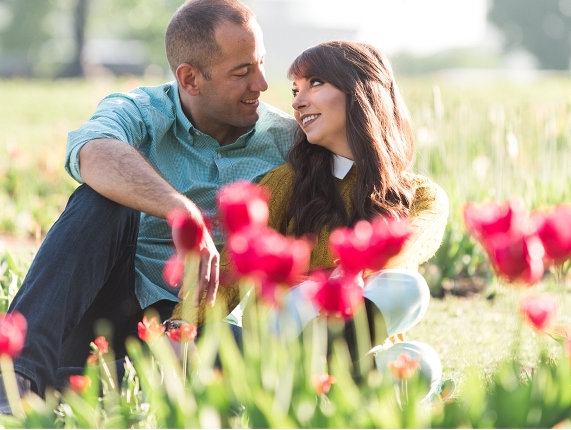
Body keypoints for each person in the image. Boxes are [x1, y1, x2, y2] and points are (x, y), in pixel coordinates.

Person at [0, 0, 298, 427]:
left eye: (261, 63)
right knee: (101, 198)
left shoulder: (284, 141)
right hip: (104, 311)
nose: (262, 83)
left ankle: (2, 391)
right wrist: (181, 212)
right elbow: (93, 151)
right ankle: (14, 381)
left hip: (193, 329)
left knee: (256, 367)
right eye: (242, 72)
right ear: (190, 78)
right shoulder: (141, 110)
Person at [174, 41, 448, 398]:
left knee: (420, 351)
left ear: (361, 91)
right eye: (295, 90)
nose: (298, 102)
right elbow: (231, 269)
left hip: (357, 341)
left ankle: (317, 383)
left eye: (315, 83)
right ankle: (306, 376)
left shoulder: (421, 196)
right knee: (309, 292)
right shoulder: (288, 182)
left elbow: (408, 245)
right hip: (281, 330)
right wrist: (182, 326)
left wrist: (351, 274)